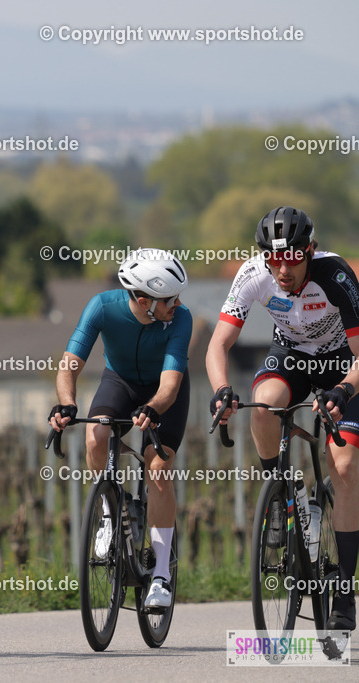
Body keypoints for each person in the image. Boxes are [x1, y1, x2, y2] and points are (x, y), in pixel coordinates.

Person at [207, 206, 359, 631]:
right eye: (274, 259)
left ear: (309, 250)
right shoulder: (253, 273)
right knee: (263, 406)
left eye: (292, 257)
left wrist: (344, 391)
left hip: (344, 363)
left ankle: (345, 589)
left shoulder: (335, 275)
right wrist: (221, 390)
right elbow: (218, 345)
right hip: (291, 356)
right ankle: (281, 495)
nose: (282, 268)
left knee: (344, 466)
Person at [49, 248, 191, 609]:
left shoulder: (181, 319)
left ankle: (161, 574)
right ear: (143, 301)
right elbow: (69, 366)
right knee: (95, 434)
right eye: (169, 298)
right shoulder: (102, 306)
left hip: (163, 390)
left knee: (157, 467)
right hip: (121, 382)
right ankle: (110, 515)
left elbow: (171, 385)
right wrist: (67, 403)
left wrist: (154, 408)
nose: (177, 303)